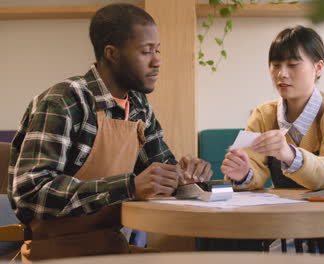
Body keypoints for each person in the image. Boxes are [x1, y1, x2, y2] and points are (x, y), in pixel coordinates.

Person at [8, 3, 212, 262]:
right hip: (54, 255)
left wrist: (187, 177)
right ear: (112, 54)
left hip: (112, 249)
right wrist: (128, 186)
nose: (157, 60)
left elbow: (163, 169)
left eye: (158, 50)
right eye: (146, 51)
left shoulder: (138, 106)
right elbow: (31, 194)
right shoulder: (64, 101)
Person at [220, 25, 324, 257]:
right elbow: (254, 169)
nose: (282, 74)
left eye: (292, 65)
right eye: (276, 65)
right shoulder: (263, 114)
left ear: (318, 68)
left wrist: (287, 153)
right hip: (292, 226)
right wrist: (243, 173)